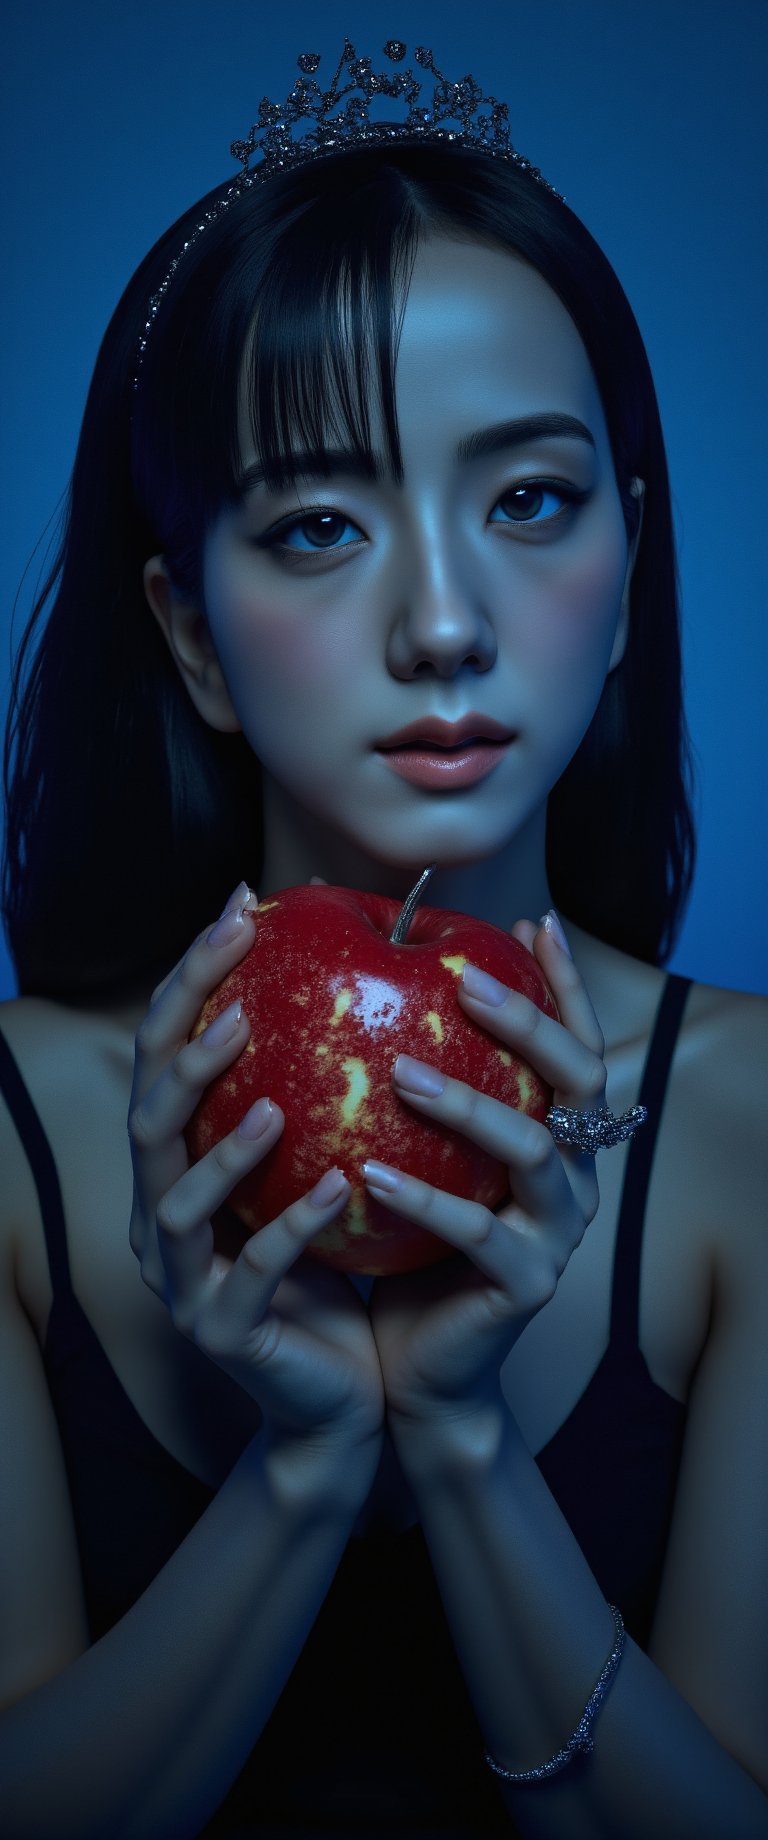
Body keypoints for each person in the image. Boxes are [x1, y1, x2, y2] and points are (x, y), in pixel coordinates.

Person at [0, 37, 766, 1840]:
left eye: (528, 500)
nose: (443, 620)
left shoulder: (745, 1128)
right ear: (190, 635)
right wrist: (310, 1462)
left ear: (629, 563)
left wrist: (468, 1442)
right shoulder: (18, 1143)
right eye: (324, 525)